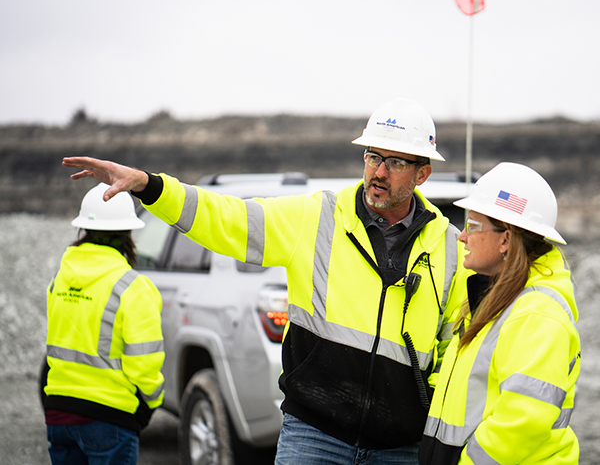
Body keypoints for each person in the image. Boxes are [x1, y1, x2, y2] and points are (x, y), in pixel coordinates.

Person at [63, 97, 467, 464]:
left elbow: (456, 355)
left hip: (400, 448)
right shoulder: (318, 218)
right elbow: (227, 219)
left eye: (395, 162)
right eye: (372, 156)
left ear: (422, 173)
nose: (378, 172)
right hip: (314, 436)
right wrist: (150, 186)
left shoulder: (451, 249)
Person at [419, 162, 580, 465]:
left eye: (473, 226)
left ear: (506, 239)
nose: (462, 237)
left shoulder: (536, 314)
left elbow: (522, 423)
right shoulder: (491, 303)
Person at [43, 182, 165, 465]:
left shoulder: (60, 279)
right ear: (128, 233)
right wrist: (150, 404)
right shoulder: (132, 287)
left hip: (58, 414)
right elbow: (144, 363)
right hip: (109, 417)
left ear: (83, 229)